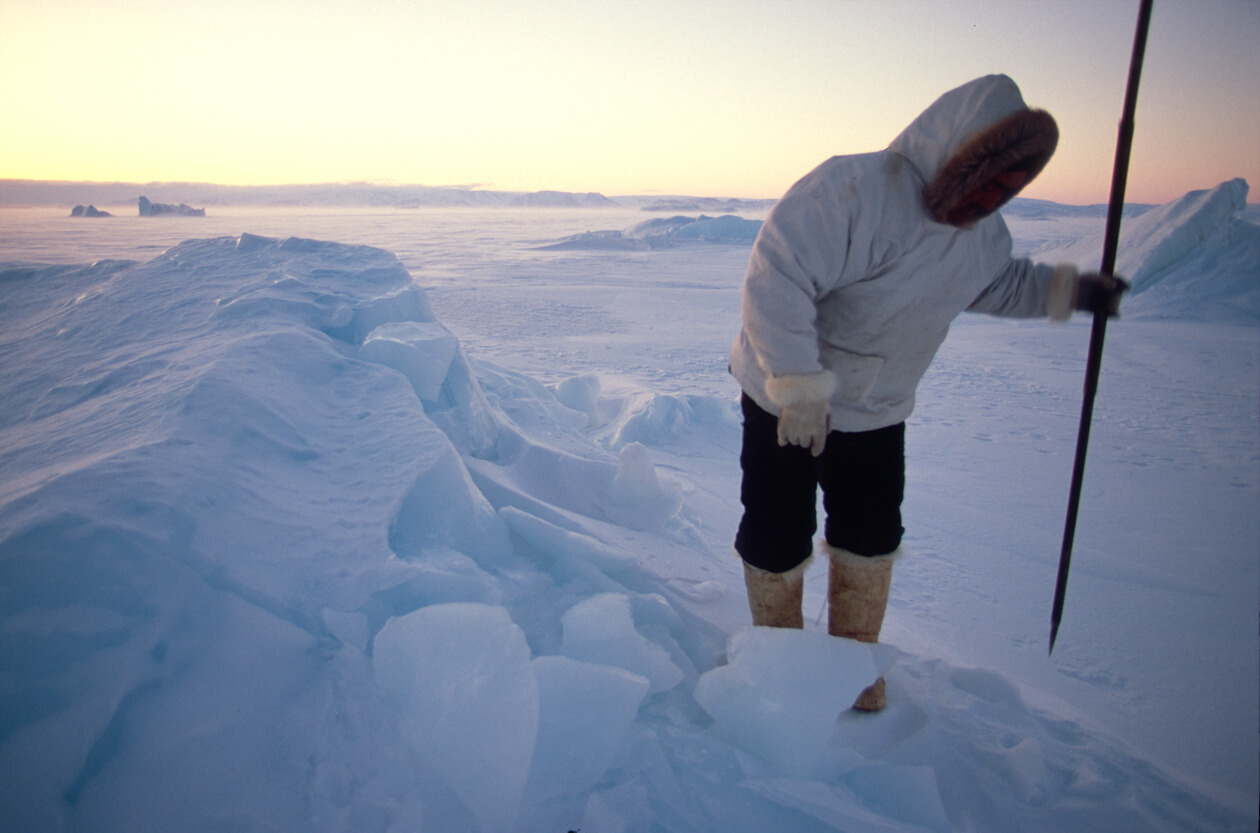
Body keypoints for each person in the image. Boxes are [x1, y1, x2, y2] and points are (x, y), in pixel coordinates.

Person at [728, 74, 1125, 712]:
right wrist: (797, 386)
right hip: (786, 399)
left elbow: (1001, 285)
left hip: (880, 408)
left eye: (1010, 187)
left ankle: (852, 664)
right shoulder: (854, 191)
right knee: (778, 528)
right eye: (986, 178)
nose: (994, 196)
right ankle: (780, 657)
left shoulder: (983, 239)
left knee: (871, 535)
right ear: (955, 158)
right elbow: (776, 277)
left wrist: (1072, 292)